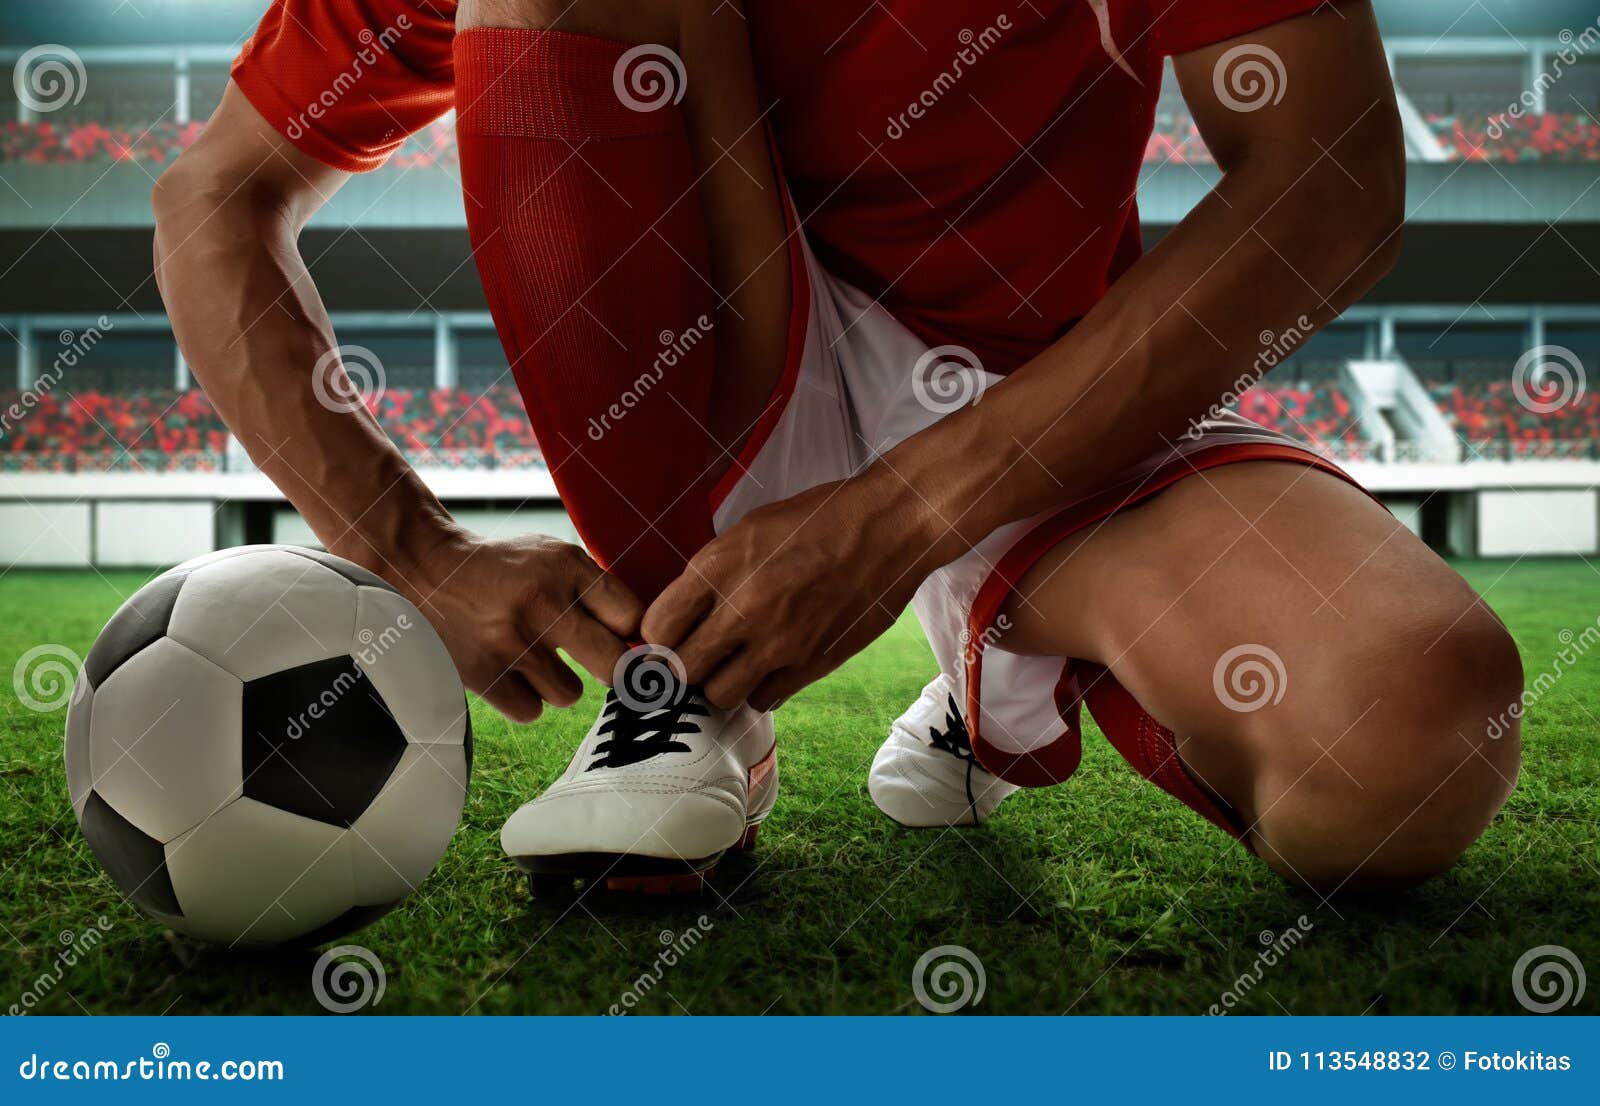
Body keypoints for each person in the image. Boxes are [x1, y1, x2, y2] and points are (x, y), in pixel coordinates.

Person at [152, 0, 1522, 897]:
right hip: (713, 370)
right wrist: (414, 548)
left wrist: (906, 512)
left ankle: (1001, 655)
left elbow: (1331, 167)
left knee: (1410, 737)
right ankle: (677, 674)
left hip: (1037, 395)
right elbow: (215, 193)